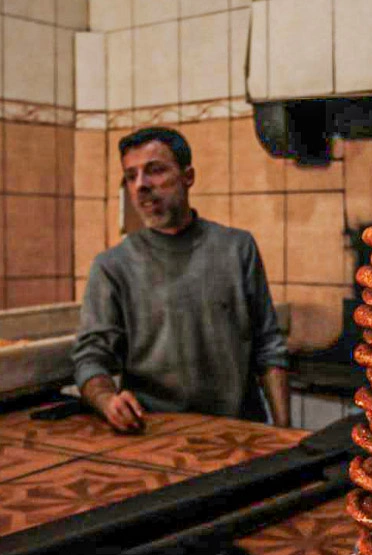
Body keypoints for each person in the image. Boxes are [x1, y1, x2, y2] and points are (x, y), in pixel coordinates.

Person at [72, 127, 289, 432]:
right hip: (156, 433)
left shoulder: (237, 248)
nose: (141, 186)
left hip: (238, 431)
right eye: (131, 176)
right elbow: (90, 358)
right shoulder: (113, 266)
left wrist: (284, 430)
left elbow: (269, 347)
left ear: (188, 176)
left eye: (155, 171)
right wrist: (107, 399)